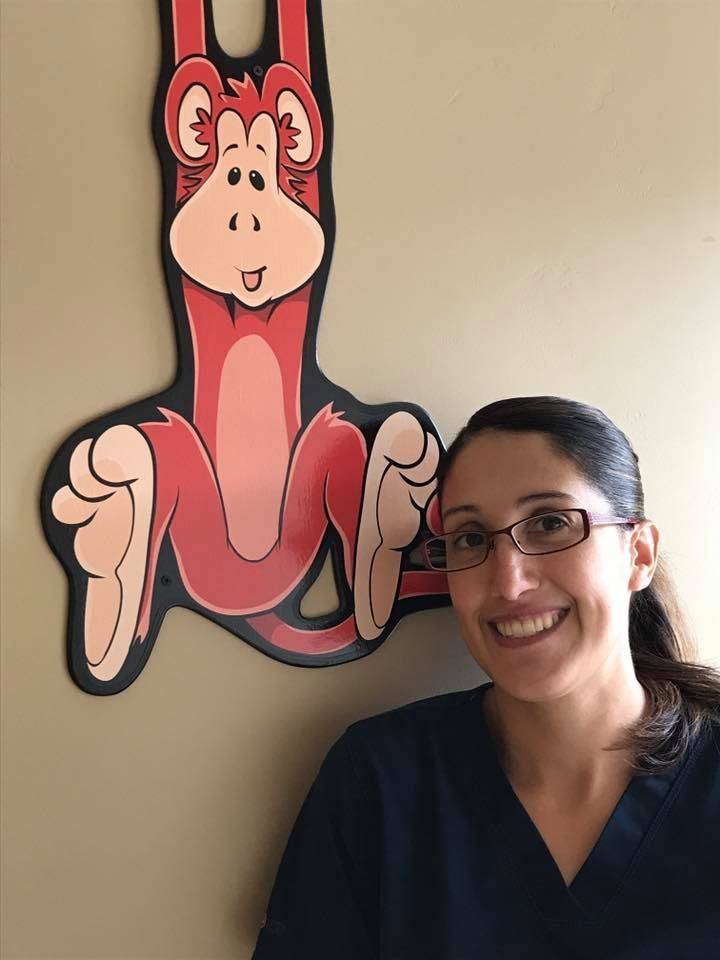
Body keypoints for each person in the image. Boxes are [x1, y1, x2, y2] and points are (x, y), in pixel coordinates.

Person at [252, 396, 720, 959]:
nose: (509, 583)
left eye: (550, 523)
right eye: (471, 537)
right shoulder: (381, 779)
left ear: (638, 553)